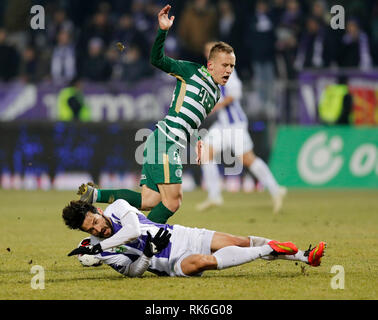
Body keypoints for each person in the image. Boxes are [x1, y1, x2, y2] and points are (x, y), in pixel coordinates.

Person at [78, 5, 235, 224]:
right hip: (166, 141)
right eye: (225, 65)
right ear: (210, 65)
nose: (229, 70)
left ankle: (95, 195)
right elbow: (156, 60)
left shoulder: (216, 93)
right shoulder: (191, 71)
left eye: (232, 66)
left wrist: (197, 140)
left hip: (165, 142)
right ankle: (145, 241)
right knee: (173, 202)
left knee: (149, 200)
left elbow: (190, 119)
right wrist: (162, 31)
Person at [62, 199, 326, 277]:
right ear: (86, 233)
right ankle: (266, 249)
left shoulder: (118, 207)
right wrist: (148, 254)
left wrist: (99, 248)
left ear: (97, 211)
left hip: (183, 235)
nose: (99, 230)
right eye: (92, 231)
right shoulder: (102, 251)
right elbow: (133, 272)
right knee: (204, 262)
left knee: (240, 240)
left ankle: (305, 256)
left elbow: (131, 231)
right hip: (170, 262)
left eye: (96, 222)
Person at [197, 42, 287, 214]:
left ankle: (276, 189)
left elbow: (235, 94)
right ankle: (215, 195)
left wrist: (216, 107)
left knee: (247, 159)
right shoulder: (209, 73)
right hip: (223, 125)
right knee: (204, 152)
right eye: (206, 51)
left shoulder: (227, 69)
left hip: (235, 124)